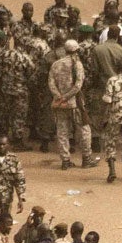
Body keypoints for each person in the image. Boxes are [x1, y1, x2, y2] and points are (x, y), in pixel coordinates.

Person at [49, 39, 98, 170]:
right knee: (84, 129)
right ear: (76, 50)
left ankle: (65, 160)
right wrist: (66, 97)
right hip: (75, 103)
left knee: (62, 131)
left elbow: (51, 83)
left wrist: (59, 97)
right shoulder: (77, 64)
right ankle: (86, 158)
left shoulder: (56, 64)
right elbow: (78, 86)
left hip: (60, 104)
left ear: (65, 50)